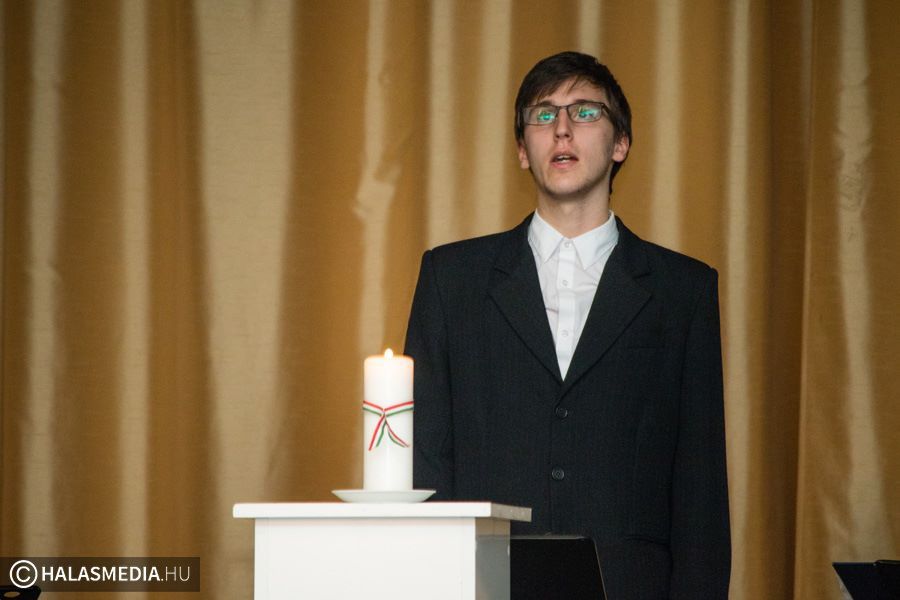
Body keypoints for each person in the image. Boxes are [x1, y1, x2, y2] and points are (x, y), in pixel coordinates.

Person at [404, 51, 730, 599]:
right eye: (542, 114)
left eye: (584, 112)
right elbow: (426, 459)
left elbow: (700, 484)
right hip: (483, 580)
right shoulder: (451, 278)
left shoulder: (683, 290)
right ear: (522, 150)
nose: (561, 128)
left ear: (620, 143)